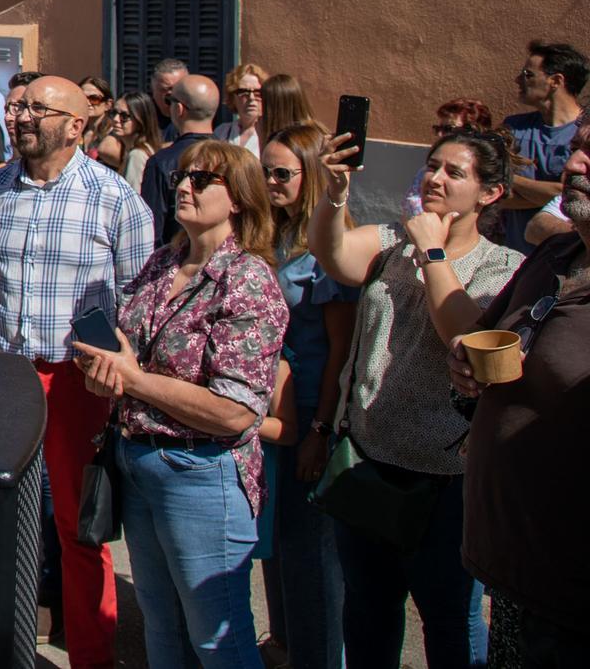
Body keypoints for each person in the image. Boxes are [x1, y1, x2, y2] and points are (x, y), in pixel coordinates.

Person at [308, 125, 523, 669]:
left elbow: (468, 340)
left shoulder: (505, 269)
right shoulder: (388, 243)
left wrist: (431, 249)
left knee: (449, 622)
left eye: (455, 172)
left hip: (444, 480)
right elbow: (332, 255)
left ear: (490, 193)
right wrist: (335, 194)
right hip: (366, 462)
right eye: (432, 166)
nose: (435, 178)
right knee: (368, 613)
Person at [73, 140, 287, 669]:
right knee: (162, 626)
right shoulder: (162, 263)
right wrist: (107, 375)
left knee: (219, 639)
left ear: (237, 198)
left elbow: (236, 412)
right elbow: (129, 358)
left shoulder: (247, 280)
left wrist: (134, 379)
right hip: (139, 460)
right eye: (182, 178)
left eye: (203, 180)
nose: (184, 187)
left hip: (200, 472)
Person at [0, 75, 156, 669]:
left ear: (76, 125)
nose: (19, 116)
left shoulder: (115, 199)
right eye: (19, 107)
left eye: (35, 109)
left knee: (80, 529)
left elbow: (138, 300)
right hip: (0, 371)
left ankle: (92, 655)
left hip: (77, 380)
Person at [450, 116, 590, 665]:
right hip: (511, 564)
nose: (575, 164)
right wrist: (465, 360)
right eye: (577, 150)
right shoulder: (555, 256)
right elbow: (489, 331)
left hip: (571, 589)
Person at [257, 121, 356, 669]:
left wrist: (322, 430)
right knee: (275, 543)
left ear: (312, 176)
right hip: (272, 415)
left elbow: (341, 351)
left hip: (311, 416)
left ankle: (317, 656)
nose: (270, 182)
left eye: (283, 174)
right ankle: (287, 644)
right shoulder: (268, 234)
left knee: (310, 556)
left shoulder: (326, 251)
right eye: (264, 171)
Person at [501, 39, 586, 253]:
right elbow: (493, 193)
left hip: (561, 261)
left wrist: (511, 179)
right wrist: (555, 194)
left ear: (556, 81)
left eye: (528, 74)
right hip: (515, 256)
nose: (518, 80)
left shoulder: (584, 135)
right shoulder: (513, 129)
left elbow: (577, 196)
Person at [141, 75, 222, 242]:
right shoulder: (236, 159)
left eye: (170, 100)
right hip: (225, 261)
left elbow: (151, 231)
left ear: (179, 108)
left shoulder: (160, 162)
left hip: (175, 262)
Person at [400, 98, 493, 218]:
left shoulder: (487, 173)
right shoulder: (427, 170)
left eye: (448, 129)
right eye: (438, 128)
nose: (440, 134)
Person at [96, 90, 163, 190]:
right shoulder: (130, 150)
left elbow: (133, 197)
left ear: (140, 119)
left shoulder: (137, 154)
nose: (115, 119)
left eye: (124, 116)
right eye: (113, 113)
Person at [257, 71, 317, 147]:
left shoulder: (287, 146)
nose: (260, 115)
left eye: (263, 105)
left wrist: (262, 139)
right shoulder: (314, 134)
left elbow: (266, 158)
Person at [217, 62, 268, 153]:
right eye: (243, 92)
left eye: (257, 93)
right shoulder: (222, 133)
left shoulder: (270, 134)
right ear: (233, 97)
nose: (251, 98)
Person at [150, 57, 190, 140]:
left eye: (179, 88)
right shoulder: (143, 116)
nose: (174, 95)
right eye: (166, 89)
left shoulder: (196, 116)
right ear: (153, 89)